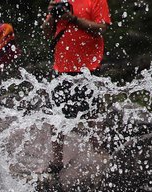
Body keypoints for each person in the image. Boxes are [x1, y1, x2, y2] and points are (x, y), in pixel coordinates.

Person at [41, 0, 111, 173]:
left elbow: (101, 29)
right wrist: (50, 17)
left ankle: (98, 154)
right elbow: (47, 33)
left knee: (92, 113)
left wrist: (72, 18)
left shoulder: (97, 1)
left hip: (89, 66)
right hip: (61, 67)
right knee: (56, 116)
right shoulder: (59, 1)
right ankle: (57, 161)